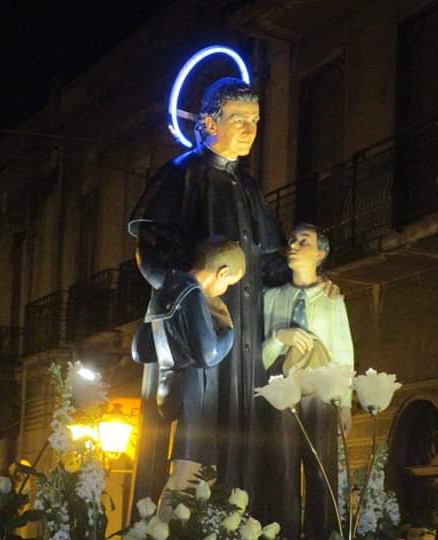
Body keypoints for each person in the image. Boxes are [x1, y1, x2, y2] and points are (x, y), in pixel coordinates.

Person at [128, 77, 290, 516]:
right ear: (207, 123)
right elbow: (151, 250)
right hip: (196, 327)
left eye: (255, 121)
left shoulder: (250, 188)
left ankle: (235, 515)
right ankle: (177, 518)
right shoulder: (180, 173)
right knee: (195, 428)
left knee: (244, 437)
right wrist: (193, 285)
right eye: (238, 119)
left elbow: (271, 264)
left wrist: (310, 285)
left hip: (246, 336)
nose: (249, 129)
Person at [131, 238, 245, 496]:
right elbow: (208, 354)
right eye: (228, 282)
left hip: (171, 386)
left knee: (196, 474)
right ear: (222, 271)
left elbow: (140, 350)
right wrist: (228, 330)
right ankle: (166, 532)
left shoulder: (167, 287)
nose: (225, 289)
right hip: (195, 391)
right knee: (188, 475)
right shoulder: (192, 293)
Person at [262, 223, 354, 540]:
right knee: (283, 469)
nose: (295, 245)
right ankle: (282, 533)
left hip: (320, 393)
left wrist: (344, 405)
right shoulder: (271, 298)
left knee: (320, 468)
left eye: (305, 241)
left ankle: (323, 533)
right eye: (292, 240)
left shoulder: (332, 301)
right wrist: (278, 338)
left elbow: (343, 353)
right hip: (282, 392)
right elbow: (258, 356)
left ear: (320, 254)